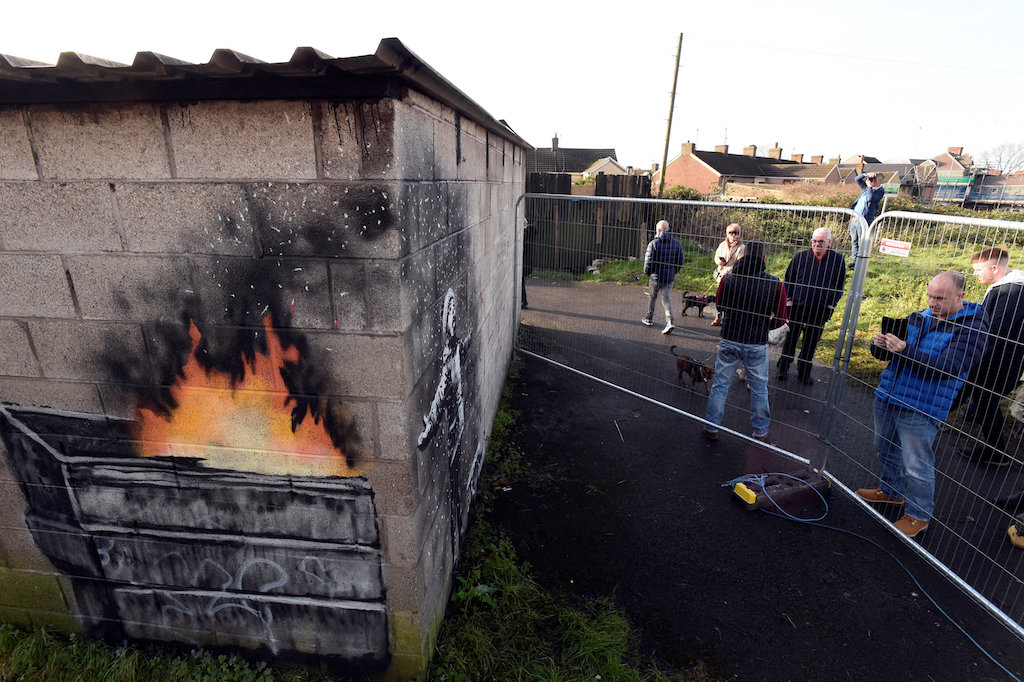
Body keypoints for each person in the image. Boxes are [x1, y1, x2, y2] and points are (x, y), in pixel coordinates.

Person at [856, 271, 988, 538]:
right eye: (929, 296)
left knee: (916, 464)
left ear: (961, 296)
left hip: (922, 406)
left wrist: (904, 351)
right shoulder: (920, 316)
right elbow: (888, 356)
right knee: (884, 448)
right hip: (890, 395)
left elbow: (947, 368)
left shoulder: (972, 329)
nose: (932, 302)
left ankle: (919, 514)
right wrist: (880, 345)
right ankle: (892, 491)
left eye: (939, 298)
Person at [703, 242, 788, 442]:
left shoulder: (728, 277)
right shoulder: (775, 283)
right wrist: (764, 324)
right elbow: (781, 318)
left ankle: (711, 426)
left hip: (730, 336)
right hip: (756, 341)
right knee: (759, 389)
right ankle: (760, 431)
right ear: (765, 259)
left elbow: (720, 303)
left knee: (720, 385)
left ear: (742, 256)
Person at [956, 247, 1024, 467]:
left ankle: (998, 453)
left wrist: (971, 349)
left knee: (984, 397)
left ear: (995, 268)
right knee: (983, 398)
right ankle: (996, 451)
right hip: (995, 357)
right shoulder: (1006, 288)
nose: (975, 275)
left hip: (1000, 360)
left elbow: (996, 330)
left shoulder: (1012, 291)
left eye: (978, 269)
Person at [776, 227, 847, 384]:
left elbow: (839, 285)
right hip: (797, 306)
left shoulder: (838, 260)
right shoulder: (799, 257)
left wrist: (831, 305)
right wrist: (788, 301)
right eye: (814, 241)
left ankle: (804, 373)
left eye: (821, 242)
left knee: (811, 342)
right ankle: (783, 368)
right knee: (791, 339)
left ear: (829, 242)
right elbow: (788, 280)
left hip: (820, 309)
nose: (816, 245)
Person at [641, 219, 684, 335]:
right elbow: (680, 261)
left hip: (655, 277)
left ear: (658, 230)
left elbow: (648, 261)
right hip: (669, 277)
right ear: (668, 229)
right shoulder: (676, 243)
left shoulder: (653, 244)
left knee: (652, 297)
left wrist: (648, 272)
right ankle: (670, 321)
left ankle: (649, 318)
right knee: (666, 299)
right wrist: (674, 271)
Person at [710, 223, 745, 327]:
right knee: (719, 297)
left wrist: (727, 268)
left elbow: (740, 264)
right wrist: (720, 262)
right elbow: (716, 257)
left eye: (736, 233)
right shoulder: (722, 245)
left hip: (733, 277)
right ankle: (718, 316)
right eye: (731, 233)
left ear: (739, 234)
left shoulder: (741, 247)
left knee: (730, 299)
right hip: (721, 276)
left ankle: (728, 319)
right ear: (727, 233)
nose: (733, 235)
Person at [849, 171, 885, 268]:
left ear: (880, 181)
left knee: (862, 242)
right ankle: (854, 262)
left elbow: (870, 198)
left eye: (874, 178)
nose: (871, 180)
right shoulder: (866, 188)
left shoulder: (880, 191)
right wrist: (866, 175)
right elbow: (857, 179)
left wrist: (870, 187)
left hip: (864, 220)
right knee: (854, 241)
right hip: (854, 219)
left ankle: (860, 264)